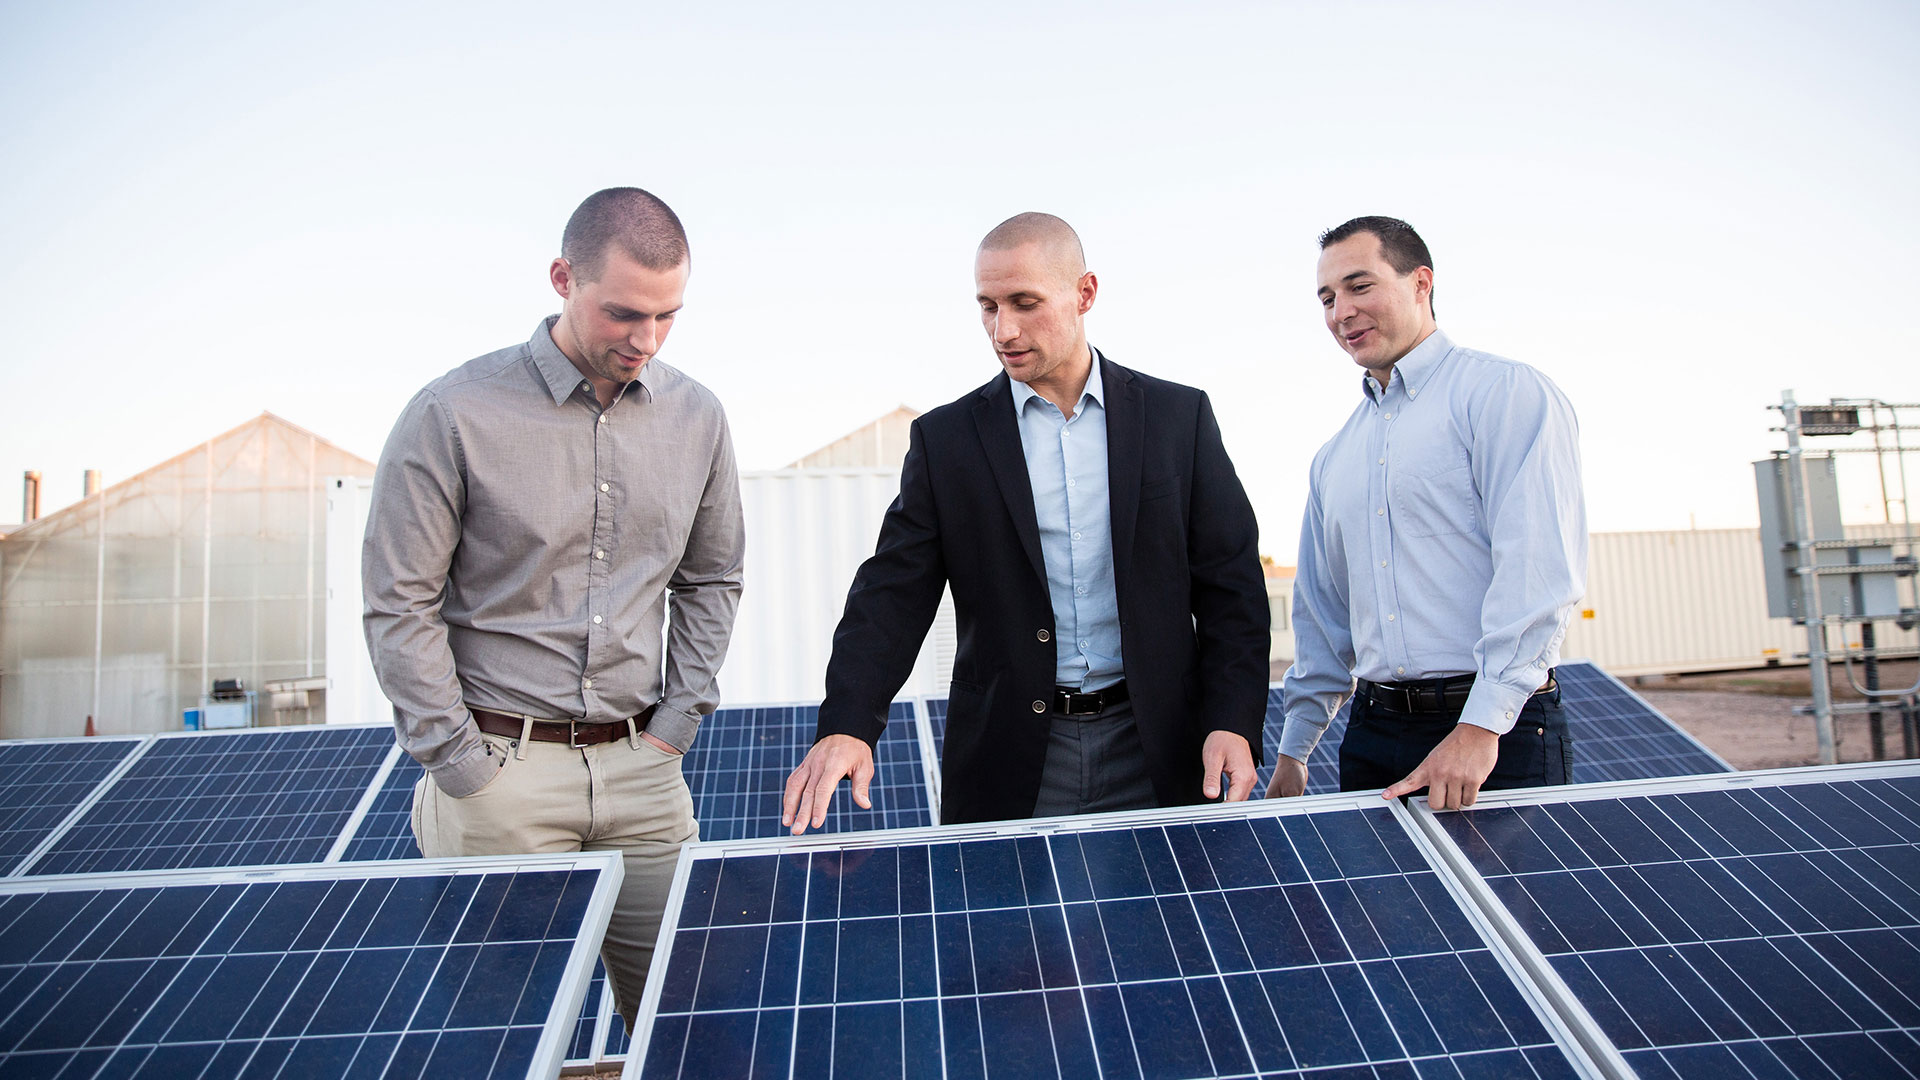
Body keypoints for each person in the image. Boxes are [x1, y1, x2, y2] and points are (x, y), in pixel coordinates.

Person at [362, 187, 743, 1029]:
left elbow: (712, 580)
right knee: (504, 1039)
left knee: (694, 1025)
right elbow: (398, 602)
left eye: (667, 316)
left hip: (645, 770)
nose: (646, 340)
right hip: (500, 776)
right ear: (563, 279)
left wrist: (676, 723)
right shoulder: (452, 414)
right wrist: (461, 765)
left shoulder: (698, 418)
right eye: (623, 313)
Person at [782, 212, 1269, 831]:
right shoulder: (946, 441)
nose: (1002, 330)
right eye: (987, 307)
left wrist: (1232, 719)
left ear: (1085, 293)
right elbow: (892, 594)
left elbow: (1231, 585)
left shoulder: (1179, 418)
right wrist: (849, 724)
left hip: (1162, 748)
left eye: (1024, 303)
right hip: (1012, 759)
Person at [1270, 216, 1586, 810]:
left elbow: (1537, 575)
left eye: (1360, 286)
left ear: (1421, 282)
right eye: (1327, 298)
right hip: (1372, 732)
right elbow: (1323, 615)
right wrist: (1295, 750)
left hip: (1495, 731)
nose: (1341, 312)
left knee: (1509, 880)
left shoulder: (1504, 395)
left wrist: (1481, 726)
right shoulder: (1334, 457)